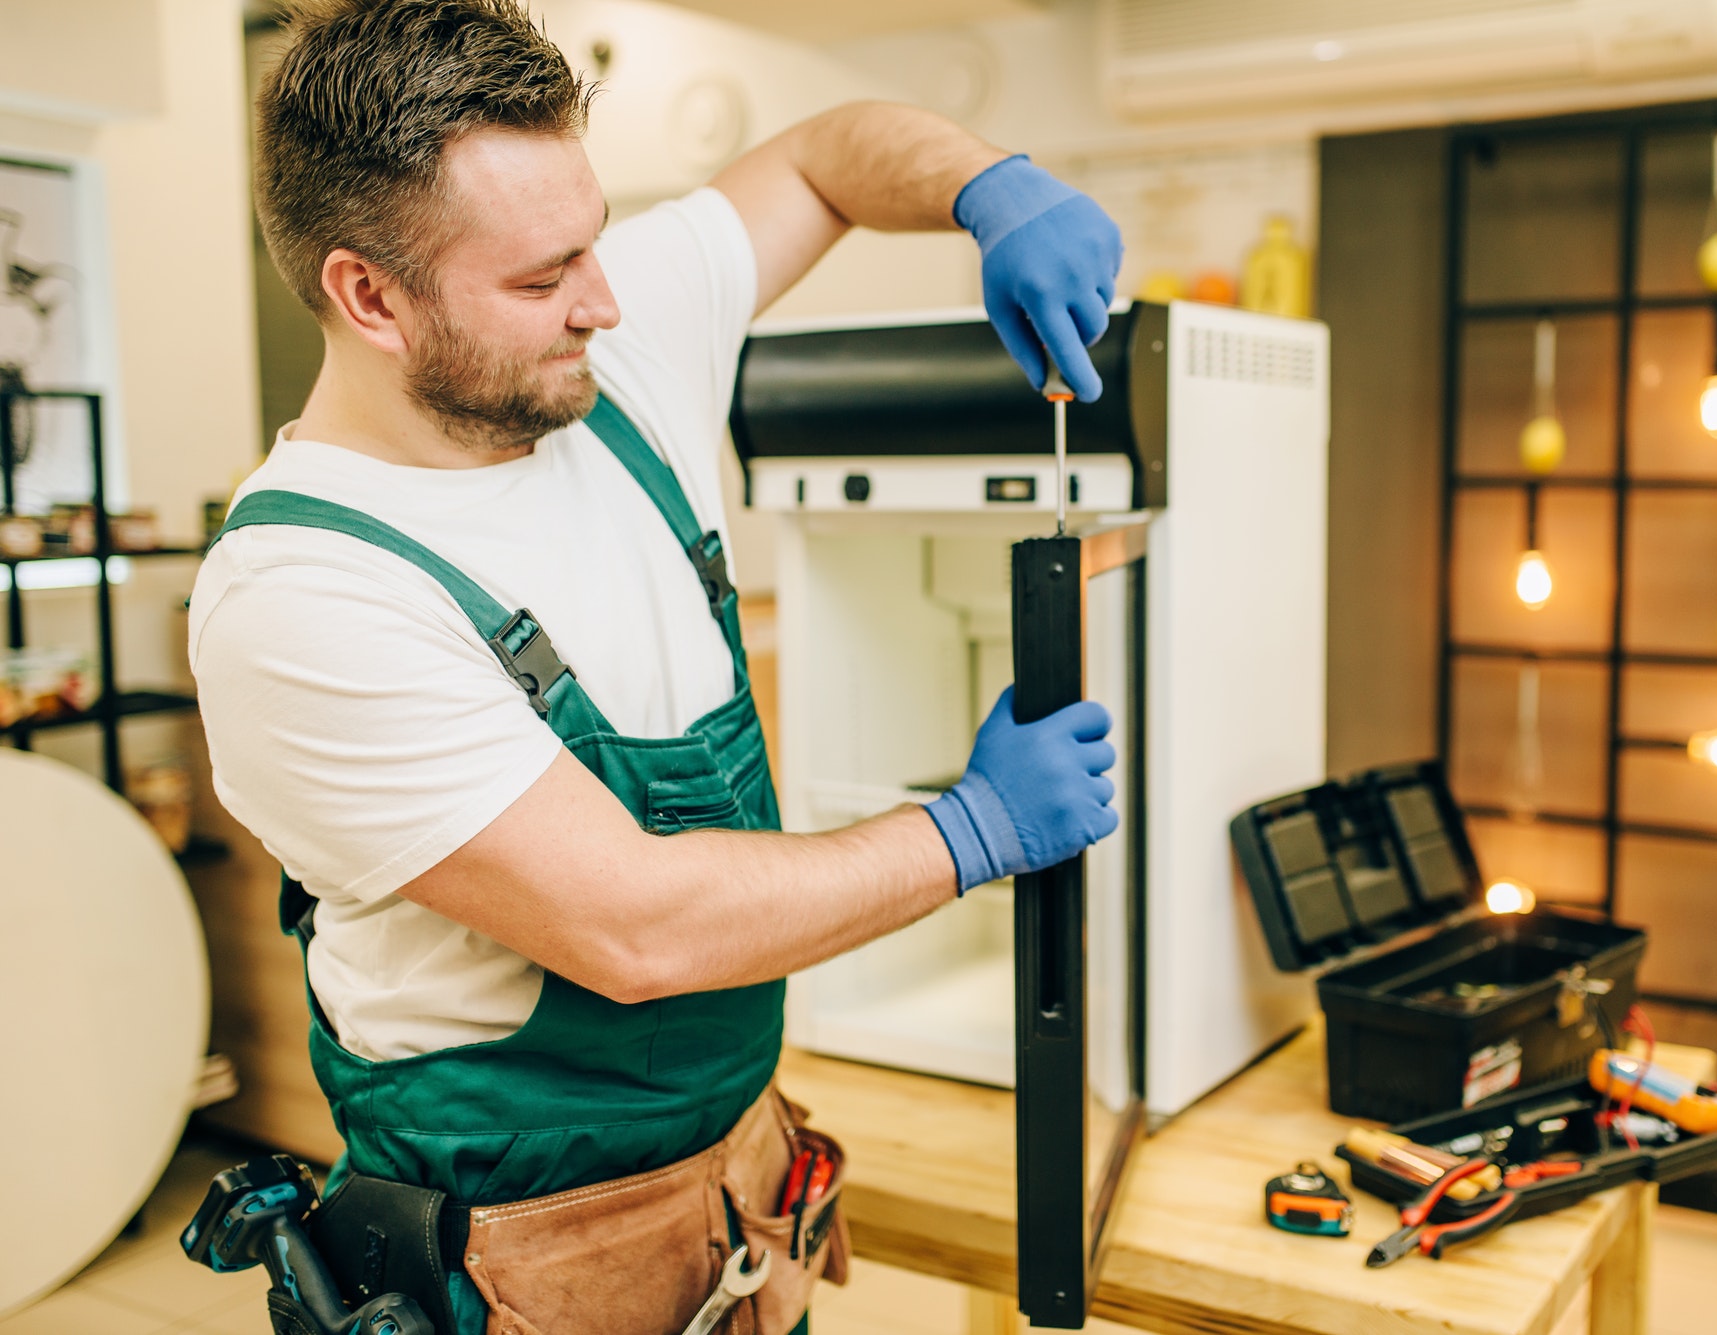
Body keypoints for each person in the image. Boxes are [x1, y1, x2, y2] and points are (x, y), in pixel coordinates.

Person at [188, 3, 1125, 1332]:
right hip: (518, 1272)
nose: (605, 301)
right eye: (540, 279)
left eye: (596, 240)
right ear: (368, 295)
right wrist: (972, 831)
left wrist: (988, 187)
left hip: (741, 1210)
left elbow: (822, 158)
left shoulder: (603, 357)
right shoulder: (305, 595)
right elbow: (639, 926)